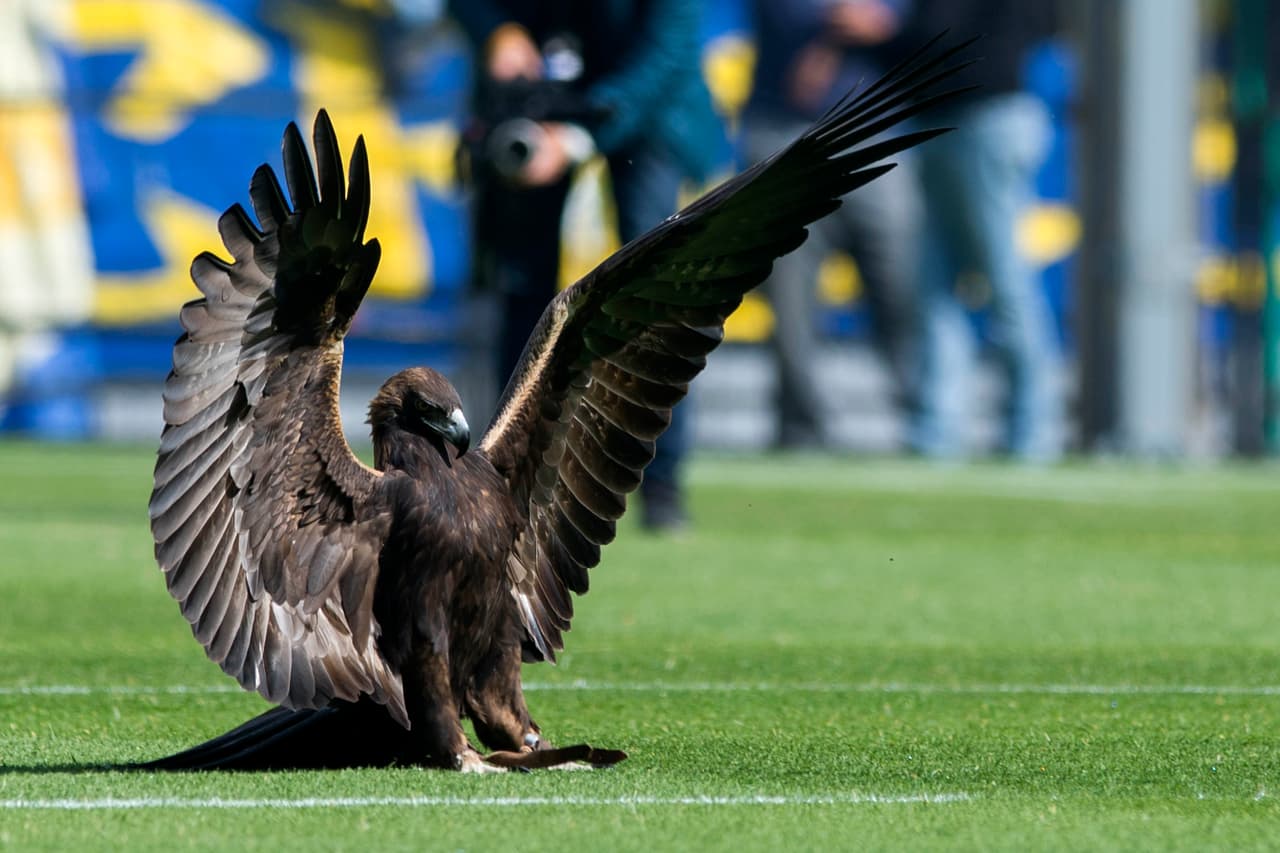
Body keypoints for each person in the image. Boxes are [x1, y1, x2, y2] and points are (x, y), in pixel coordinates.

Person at [449, 0, 726, 529]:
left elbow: (665, 56)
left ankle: (662, 484)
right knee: (520, 292)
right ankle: (506, 474)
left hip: (649, 113)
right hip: (536, 99)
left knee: (658, 299)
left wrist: (575, 136)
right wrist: (499, 29)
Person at [741, 0, 922, 449]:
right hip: (786, 131)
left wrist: (860, 30)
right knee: (790, 298)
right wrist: (839, 27)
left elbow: (906, 20)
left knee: (902, 286)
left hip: (876, 128)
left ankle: (926, 420)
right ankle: (802, 429)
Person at [895, 1, 1064, 461]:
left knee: (1005, 282)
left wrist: (887, 29)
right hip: (946, 117)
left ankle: (1032, 432)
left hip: (987, 116)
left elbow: (946, 32)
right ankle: (937, 431)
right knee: (937, 283)